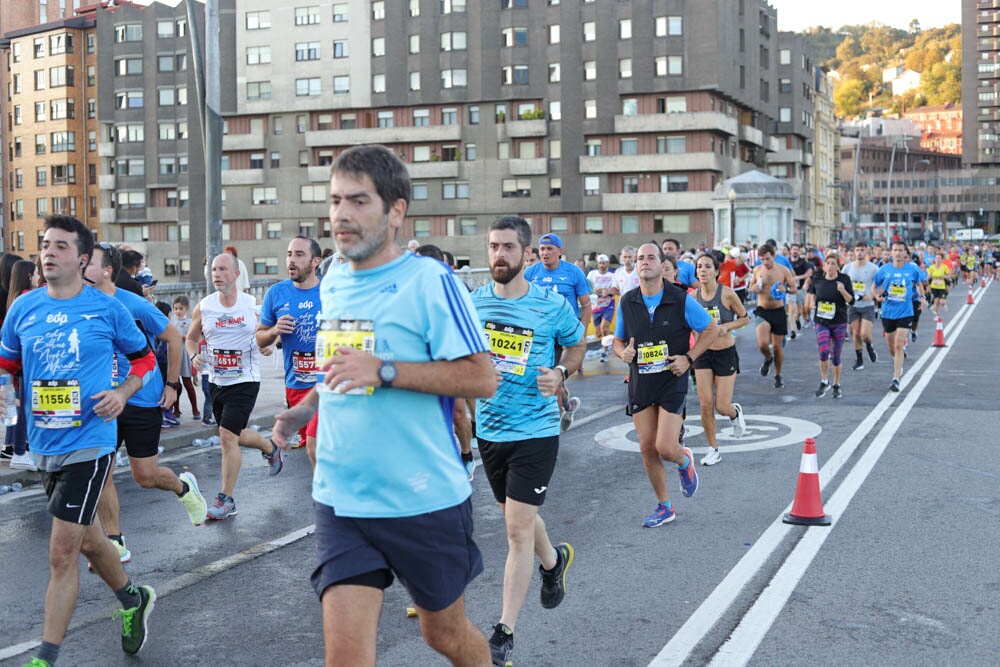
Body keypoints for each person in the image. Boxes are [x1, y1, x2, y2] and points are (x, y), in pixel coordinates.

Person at [270, 144, 497, 666]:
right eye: (334, 201)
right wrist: (306, 408)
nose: (341, 215)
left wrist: (386, 371)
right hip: (342, 498)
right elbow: (341, 367)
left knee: (445, 636)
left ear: (396, 211)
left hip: (423, 499)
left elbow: (482, 378)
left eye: (358, 201)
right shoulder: (334, 279)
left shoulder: (430, 283)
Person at [0, 215, 158, 665]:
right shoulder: (24, 308)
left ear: (83, 259)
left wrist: (123, 392)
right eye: (45, 245)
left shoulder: (108, 309)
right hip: (44, 445)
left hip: (91, 441)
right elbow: (6, 363)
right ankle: (132, 600)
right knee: (90, 541)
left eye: (61, 246)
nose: (48, 252)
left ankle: (44, 658)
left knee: (61, 553)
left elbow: (144, 360)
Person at [471, 215, 585, 667]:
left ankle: (503, 633)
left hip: (536, 430)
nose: (499, 255)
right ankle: (554, 563)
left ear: (527, 254)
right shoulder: (473, 302)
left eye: (508, 248)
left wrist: (559, 373)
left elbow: (577, 347)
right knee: (518, 517)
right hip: (490, 430)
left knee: (516, 530)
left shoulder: (550, 305)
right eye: (493, 247)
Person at [84, 243, 208, 565]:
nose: (82, 265)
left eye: (89, 261)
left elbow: (174, 337)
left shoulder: (134, 304)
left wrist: (171, 385)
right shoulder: (80, 305)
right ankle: (115, 540)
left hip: (141, 397)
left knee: (145, 476)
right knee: (102, 472)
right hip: (102, 403)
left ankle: (183, 487)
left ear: (107, 270)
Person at [612, 243, 719, 527]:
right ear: (635, 266)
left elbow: (711, 329)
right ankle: (665, 506)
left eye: (650, 257)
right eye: (639, 258)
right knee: (647, 447)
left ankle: (683, 460)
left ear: (663, 265)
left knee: (665, 447)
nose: (644, 262)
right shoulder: (627, 301)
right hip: (641, 381)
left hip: (672, 378)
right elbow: (617, 340)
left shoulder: (680, 299)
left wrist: (689, 358)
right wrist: (622, 353)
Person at [186, 252, 284, 520]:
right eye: (213, 270)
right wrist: (194, 356)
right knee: (233, 434)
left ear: (236, 274)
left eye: (222, 270)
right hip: (217, 380)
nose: (216, 274)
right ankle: (269, 447)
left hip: (245, 380)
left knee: (228, 438)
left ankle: (225, 498)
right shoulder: (204, 307)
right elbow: (191, 339)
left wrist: (267, 346)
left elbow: (267, 335)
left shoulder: (252, 305)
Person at [256, 237, 323, 460]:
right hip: (295, 384)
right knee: (310, 448)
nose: (291, 261)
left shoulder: (331, 292)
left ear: (316, 261)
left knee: (316, 446)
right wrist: (274, 331)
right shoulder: (277, 293)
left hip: (326, 385)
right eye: (289, 254)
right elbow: (260, 339)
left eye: (299, 255)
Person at [525, 233, 592, 431]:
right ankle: (567, 405)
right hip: (540, 335)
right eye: (542, 249)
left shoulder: (573, 272)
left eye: (550, 249)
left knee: (552, 377)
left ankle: (550, 430)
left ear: (560, 252)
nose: (545, 253)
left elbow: (586, 306)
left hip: (565, 335)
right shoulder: (530, 273)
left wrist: (581, 332)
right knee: (547, 377)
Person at [693, 254, 749, 466]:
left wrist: (726, 327)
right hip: (703, 354)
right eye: (700, 267)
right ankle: (713, 449)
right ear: (696, 272)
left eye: (708, 266)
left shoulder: (727, 294)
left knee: (721, 406)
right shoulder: (692, 296)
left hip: (725, 353)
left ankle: (734, 413)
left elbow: (745, 317)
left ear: (716, 271)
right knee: (705, 404)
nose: (703, 270)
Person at [873, 242, 925, 392]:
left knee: (898, 344)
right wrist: (877, 296)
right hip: (888, 312)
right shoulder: (884, 270)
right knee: (891, 345)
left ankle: (896, 379)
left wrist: (921, 297)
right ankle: (897, 360)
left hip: (905, 311)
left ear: (905, 254)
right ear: (891, 253)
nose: (897, 253)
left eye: (900, 250)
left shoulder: (912, 270)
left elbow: (919, 284)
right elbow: (874, 286)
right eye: (894, 250)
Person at [5, 259, 39, 471]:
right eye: (36, 273)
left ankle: (20, 450)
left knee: (21, 405)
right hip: (25, 361)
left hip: (19, 361)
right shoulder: (28, 297)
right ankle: (20, 451)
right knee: (24, 406)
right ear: (29, 276)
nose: (39, 276)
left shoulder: (16, 297)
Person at [806, 252, 854, 399]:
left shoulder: (844, 279)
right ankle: (824, 380)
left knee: (836, 356)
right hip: (821, 321)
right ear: (825, 266)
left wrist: (843, 290)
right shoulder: (818, 278)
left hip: (839, 321)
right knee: (823, 351)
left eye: (834, 264)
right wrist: (812, 302)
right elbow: (812, 293)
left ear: (838, 267)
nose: (831, 266)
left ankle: (836, 384)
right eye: (829, 263)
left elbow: (851, 301)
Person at [749, 244, 796, 388]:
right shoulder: (757, 270)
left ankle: (778, 374)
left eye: (768, 259)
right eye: (762, 259)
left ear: (773, 256)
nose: (765, 262)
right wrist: (754, 288)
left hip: (778, 310)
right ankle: (768, 358)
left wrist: (785, 289)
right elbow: (750, 286)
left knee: (777, 347)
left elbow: (794, 288)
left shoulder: (783, 270)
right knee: (762, 344)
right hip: (763, 310)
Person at [843, 244, 879, 371]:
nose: (859, 252)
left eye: (862, 250)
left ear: (867, 251)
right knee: (856, 334)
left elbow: (881, 285)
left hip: (867, 306)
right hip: (853, 305)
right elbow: (842, 283)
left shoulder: (874, 268)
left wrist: (872, 296)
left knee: (865, 334)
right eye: (857, 250)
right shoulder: (847, 268)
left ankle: (869, 346)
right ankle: (859, 360)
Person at [169, 296, 201, 420]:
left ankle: (195, 409)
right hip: (173, 355)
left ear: (186, 309)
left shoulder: (189, 322)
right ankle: (176, 409)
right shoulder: (171, 322)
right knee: (174, 383)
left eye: (180, 308)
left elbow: (192, 338)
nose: (178, 311)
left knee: (187, 383)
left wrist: (180, 336)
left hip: (185, 355)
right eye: (175, 308)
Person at [587, 254, 616, 362]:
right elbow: (588, 287)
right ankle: (609, 341)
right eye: (600, 263)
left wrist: (608, 291)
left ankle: (605, 351)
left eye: (604, 263)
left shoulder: (612, 275)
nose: (602, 265)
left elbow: (615, 288)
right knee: (599, 333)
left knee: (604, 327)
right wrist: (596, 291)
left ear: (608, 263)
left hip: (609, 305)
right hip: (596, 306)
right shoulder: (592, 274)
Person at [787, 244, 813, 339]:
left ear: (799, 251)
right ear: (790, 251)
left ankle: (797, 319)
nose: (795, 251)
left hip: (801, 289)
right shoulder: (787, 261)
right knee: (791, 309)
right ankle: (793, 330)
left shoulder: (803, 262)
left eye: (797, 250)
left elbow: (809, 272)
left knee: (799, 310)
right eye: (793, 249)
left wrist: (801, 278)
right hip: (790, 289)